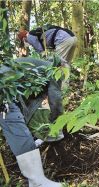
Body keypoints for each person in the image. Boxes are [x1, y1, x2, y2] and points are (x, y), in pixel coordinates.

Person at [0, 57, 65, 186]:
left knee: (15, 120)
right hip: (3, 90)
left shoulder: (34, 67)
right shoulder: (55, 71)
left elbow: (27, 107)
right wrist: (57, 122)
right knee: (14, 122)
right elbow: (56, 100)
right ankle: (38, 182)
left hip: (5, 88)